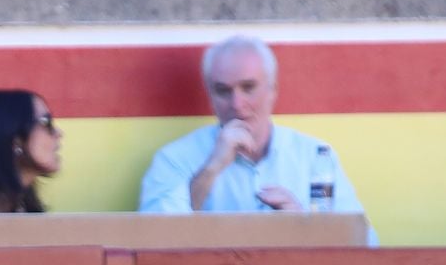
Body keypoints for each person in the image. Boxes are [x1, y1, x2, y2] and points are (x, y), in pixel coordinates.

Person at [138, 35, 374, 240]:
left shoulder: (315, 157)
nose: (237, 105)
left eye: (248, 87)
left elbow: (363, 245)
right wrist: (212, 168)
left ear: (273, 90)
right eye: (223, 91)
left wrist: (303, 230)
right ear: (210, 95)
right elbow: (152, 243)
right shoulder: (174, 159)